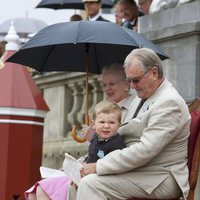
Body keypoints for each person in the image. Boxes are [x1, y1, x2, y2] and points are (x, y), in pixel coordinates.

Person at [68, 48, 190, 200]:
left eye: (136, 80)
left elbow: (144, 150)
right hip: (139, 168)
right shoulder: (143, 96)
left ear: (154, 72)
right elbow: (123, 135)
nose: (132, 86)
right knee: (74, 181)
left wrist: (98, 166)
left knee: (90, 183)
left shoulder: (169, 102)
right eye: (129, 80)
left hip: (159, 176)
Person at [25, 100, 126, 200]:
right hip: (81, 176)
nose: (106, 126)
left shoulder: (116, 144)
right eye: (102, 122)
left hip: (94, 181)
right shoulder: (95, 138)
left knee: (42, 190)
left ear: (119, 124)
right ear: (93, 124)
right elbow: (90, 158)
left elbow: (111, 167)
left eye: (111, 122)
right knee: (34, 192)